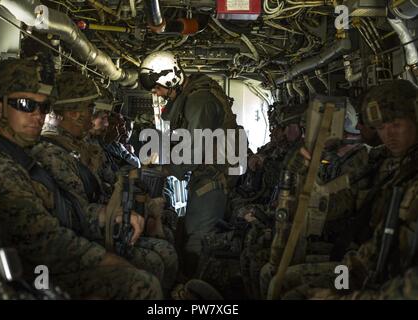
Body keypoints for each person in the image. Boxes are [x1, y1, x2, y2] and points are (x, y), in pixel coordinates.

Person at [0, 57, 162, 299]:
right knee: (141, 285)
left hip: (34, 264)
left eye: (43, 107)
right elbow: (45, 242)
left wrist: (106, 214)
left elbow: (63, 209)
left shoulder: (17, 155)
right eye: (25, 105)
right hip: (26, 275)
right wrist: (106, 260)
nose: (37, 116)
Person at [268, 80, 418, 300]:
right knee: (287, 285)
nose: (388, 135)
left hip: (390, 283)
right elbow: (345, 197)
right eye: (381, 127)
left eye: (395, 124)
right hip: (368, 268)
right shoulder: (385, 164)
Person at [31, 71, 178, 294]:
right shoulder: (52, 152)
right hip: (79, 240)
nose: (93, 119)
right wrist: (118, 214)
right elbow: (78, 212)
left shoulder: (78, 147)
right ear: (72, 114)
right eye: (91, 111)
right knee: (158, 258)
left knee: (164, 248)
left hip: (94, 229)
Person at [139, 51, 241, 276]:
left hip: (214, 180)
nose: (156, 92)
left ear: (170, 79)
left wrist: (164, 170)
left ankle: (197, 290)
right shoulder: (190, 96)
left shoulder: (199, 101)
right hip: (205, 176)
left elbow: (193, 149)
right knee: (189, 231)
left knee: (198, 239)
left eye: (156, 87)